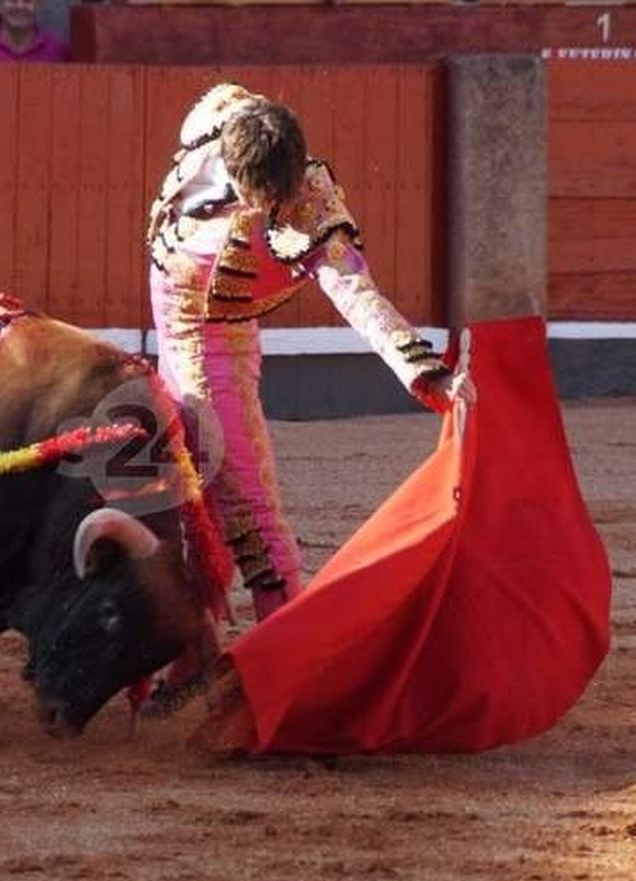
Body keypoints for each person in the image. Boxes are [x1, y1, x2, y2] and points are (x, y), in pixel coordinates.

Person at [145, 83, 474, 676]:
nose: (274, 208)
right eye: (261, 196)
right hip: (191, 347)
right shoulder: (223, 118)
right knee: (236, 517)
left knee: (219, 509)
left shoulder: (307, 198)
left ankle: (225, 665)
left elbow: (355, 293)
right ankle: (273, 673)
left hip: (218, 341)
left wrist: (426, 372)